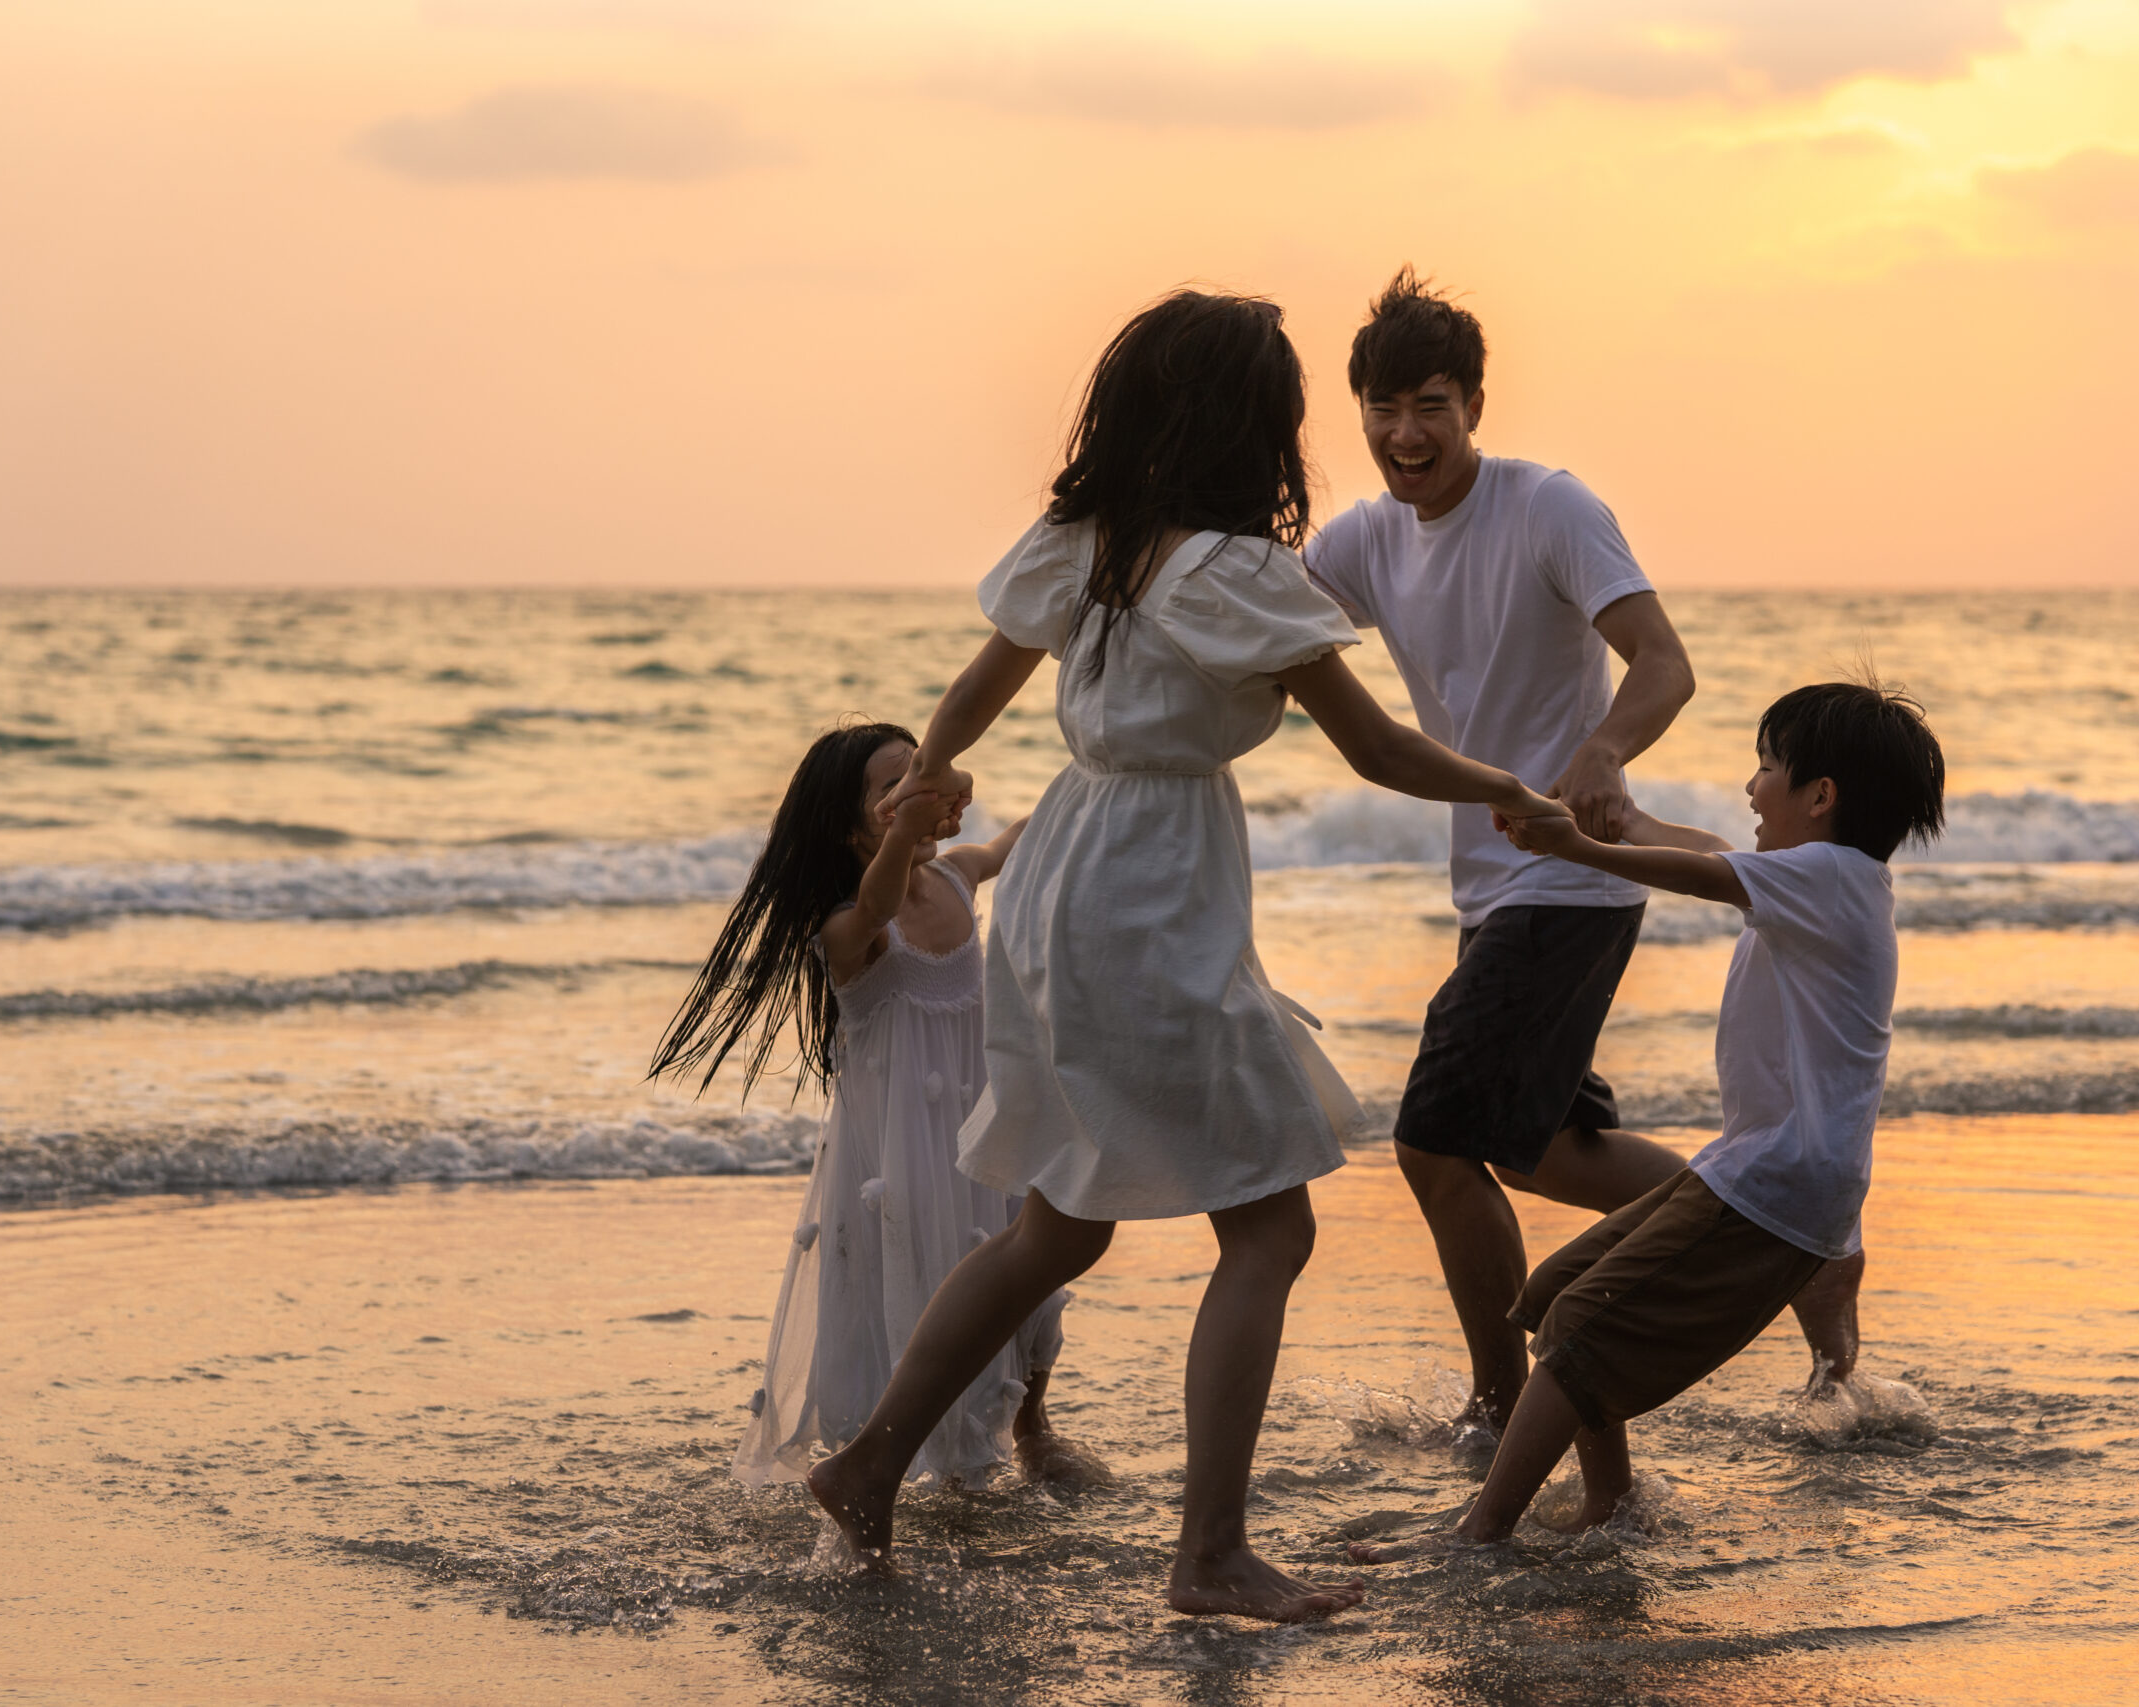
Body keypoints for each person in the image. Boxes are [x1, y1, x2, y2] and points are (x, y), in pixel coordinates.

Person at [803, 289, 1571, 1623]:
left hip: (1064, 877)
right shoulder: (1239, 574)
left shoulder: (1087, 542)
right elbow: (1381, 750)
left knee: (1060, 1219)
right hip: (1153, 890)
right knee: (1270, 1222)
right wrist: (1518, 785)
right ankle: (1208, 1552)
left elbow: (977, 688)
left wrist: (930, 776)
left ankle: (870, 1466)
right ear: (1254, 427)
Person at [1351, 681, 1944, 1556]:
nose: (1751, 786)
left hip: (1776, 1186)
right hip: (1751, 1168)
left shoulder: (1831, 878)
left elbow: (1701, 871)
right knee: (1555, 1300)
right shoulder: (1828, 879)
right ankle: (1610, 1504)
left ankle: (1482, 1530)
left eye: (1769, 767)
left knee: (1580, 1331)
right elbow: (1701, 844)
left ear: (1821, 796)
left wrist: (1575, 846)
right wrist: (1612, 819)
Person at [1302, 267, 1701, 1438]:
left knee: (1433, 1140)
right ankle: (1777, 1224)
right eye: (1381, 407)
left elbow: (1662, 663)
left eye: (1430, 404)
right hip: (1491, 890)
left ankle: (1499, 1400)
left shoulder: (1548, 508)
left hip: (1570, 875)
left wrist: (1602, 755)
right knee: (1542, 1150)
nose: (1404, 434)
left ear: (1474, 402)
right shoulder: (1366, 541)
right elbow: (1254, 628)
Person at [647, 723, 1090, 1491]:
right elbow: (881, 896)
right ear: (848, 826)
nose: (917, 791)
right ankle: (932, 1462)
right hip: (901, 1157)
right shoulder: (848, 927)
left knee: (1032, 1274)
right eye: (893, 786)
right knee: (922, 1286)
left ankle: (1031, 1423)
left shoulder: (956, 877)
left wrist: (1094, 768)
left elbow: (1016, 841)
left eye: (921, 772)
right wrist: (912, 821)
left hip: (987, 1125)